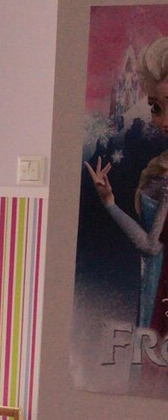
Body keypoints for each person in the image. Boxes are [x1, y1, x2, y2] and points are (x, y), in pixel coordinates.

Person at [85, 35, 168, 330]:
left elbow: (150, 246)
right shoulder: (160, 172)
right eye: (156, 108)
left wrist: (110, 206)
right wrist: (109, 203)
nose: (163, 121)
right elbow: (151, 246)